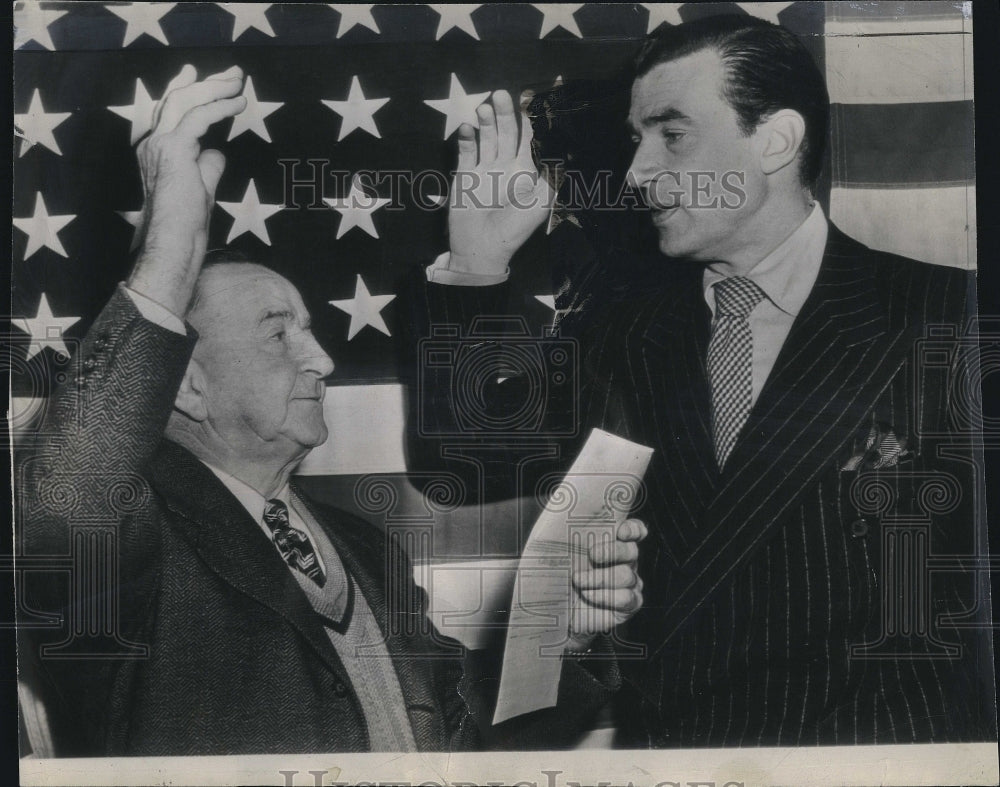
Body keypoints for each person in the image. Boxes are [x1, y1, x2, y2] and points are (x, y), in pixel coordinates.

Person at [18, 64, 649, 756]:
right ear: (186, 384)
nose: (320, 359)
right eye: (277, 331)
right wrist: (168, 250)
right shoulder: (131, 542)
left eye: (310, 330)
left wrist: (559, 631)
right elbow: (66, 490)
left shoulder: (365, 551)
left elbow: (475, 739)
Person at [412, 14, 995, 746]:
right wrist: (476, 267)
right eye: (636, 139)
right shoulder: (627, 328)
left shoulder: (950, 316)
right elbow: (462, 466)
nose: (637, 173)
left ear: (776, 140)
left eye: (672, 135)